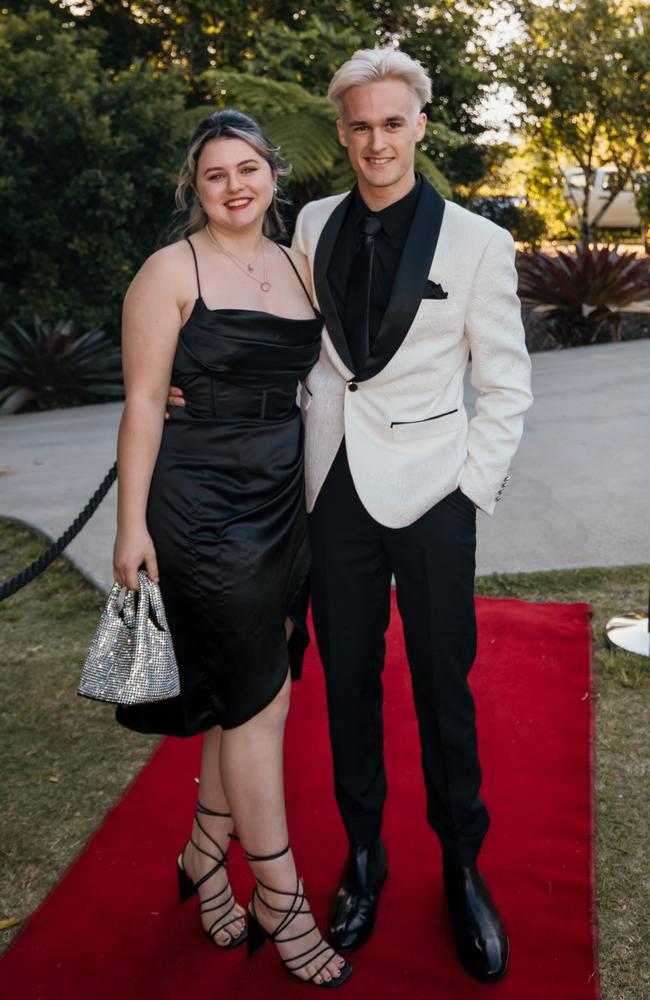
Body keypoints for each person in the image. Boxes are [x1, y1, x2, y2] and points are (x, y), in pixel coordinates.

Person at [169, 48, 533, 983]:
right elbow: (275, 329)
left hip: (435, 493)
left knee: (446, 686)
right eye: (361, 125)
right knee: (350, 684)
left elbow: (507, 389)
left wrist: (467, 487)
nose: (378, 140)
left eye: (393, 122)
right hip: (331, 491)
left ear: (420, 124)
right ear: (343, 133)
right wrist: (194, 384)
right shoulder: (314, 226)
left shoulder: (478, 243)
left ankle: (461, 865)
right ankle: (363, 857)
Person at [112, 109, 351, 989]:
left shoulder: (301, 266)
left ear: (273, 176)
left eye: (247, 168)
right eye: (215, 175)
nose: (234, 185)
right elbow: (142, 403)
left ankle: (203, 857)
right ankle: (281, 902)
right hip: (200, 504)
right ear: (195, 187)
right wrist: (130, 526)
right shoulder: (168, 271)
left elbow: (336, 370)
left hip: (284, 497)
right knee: (261, 704)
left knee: (256, 686)